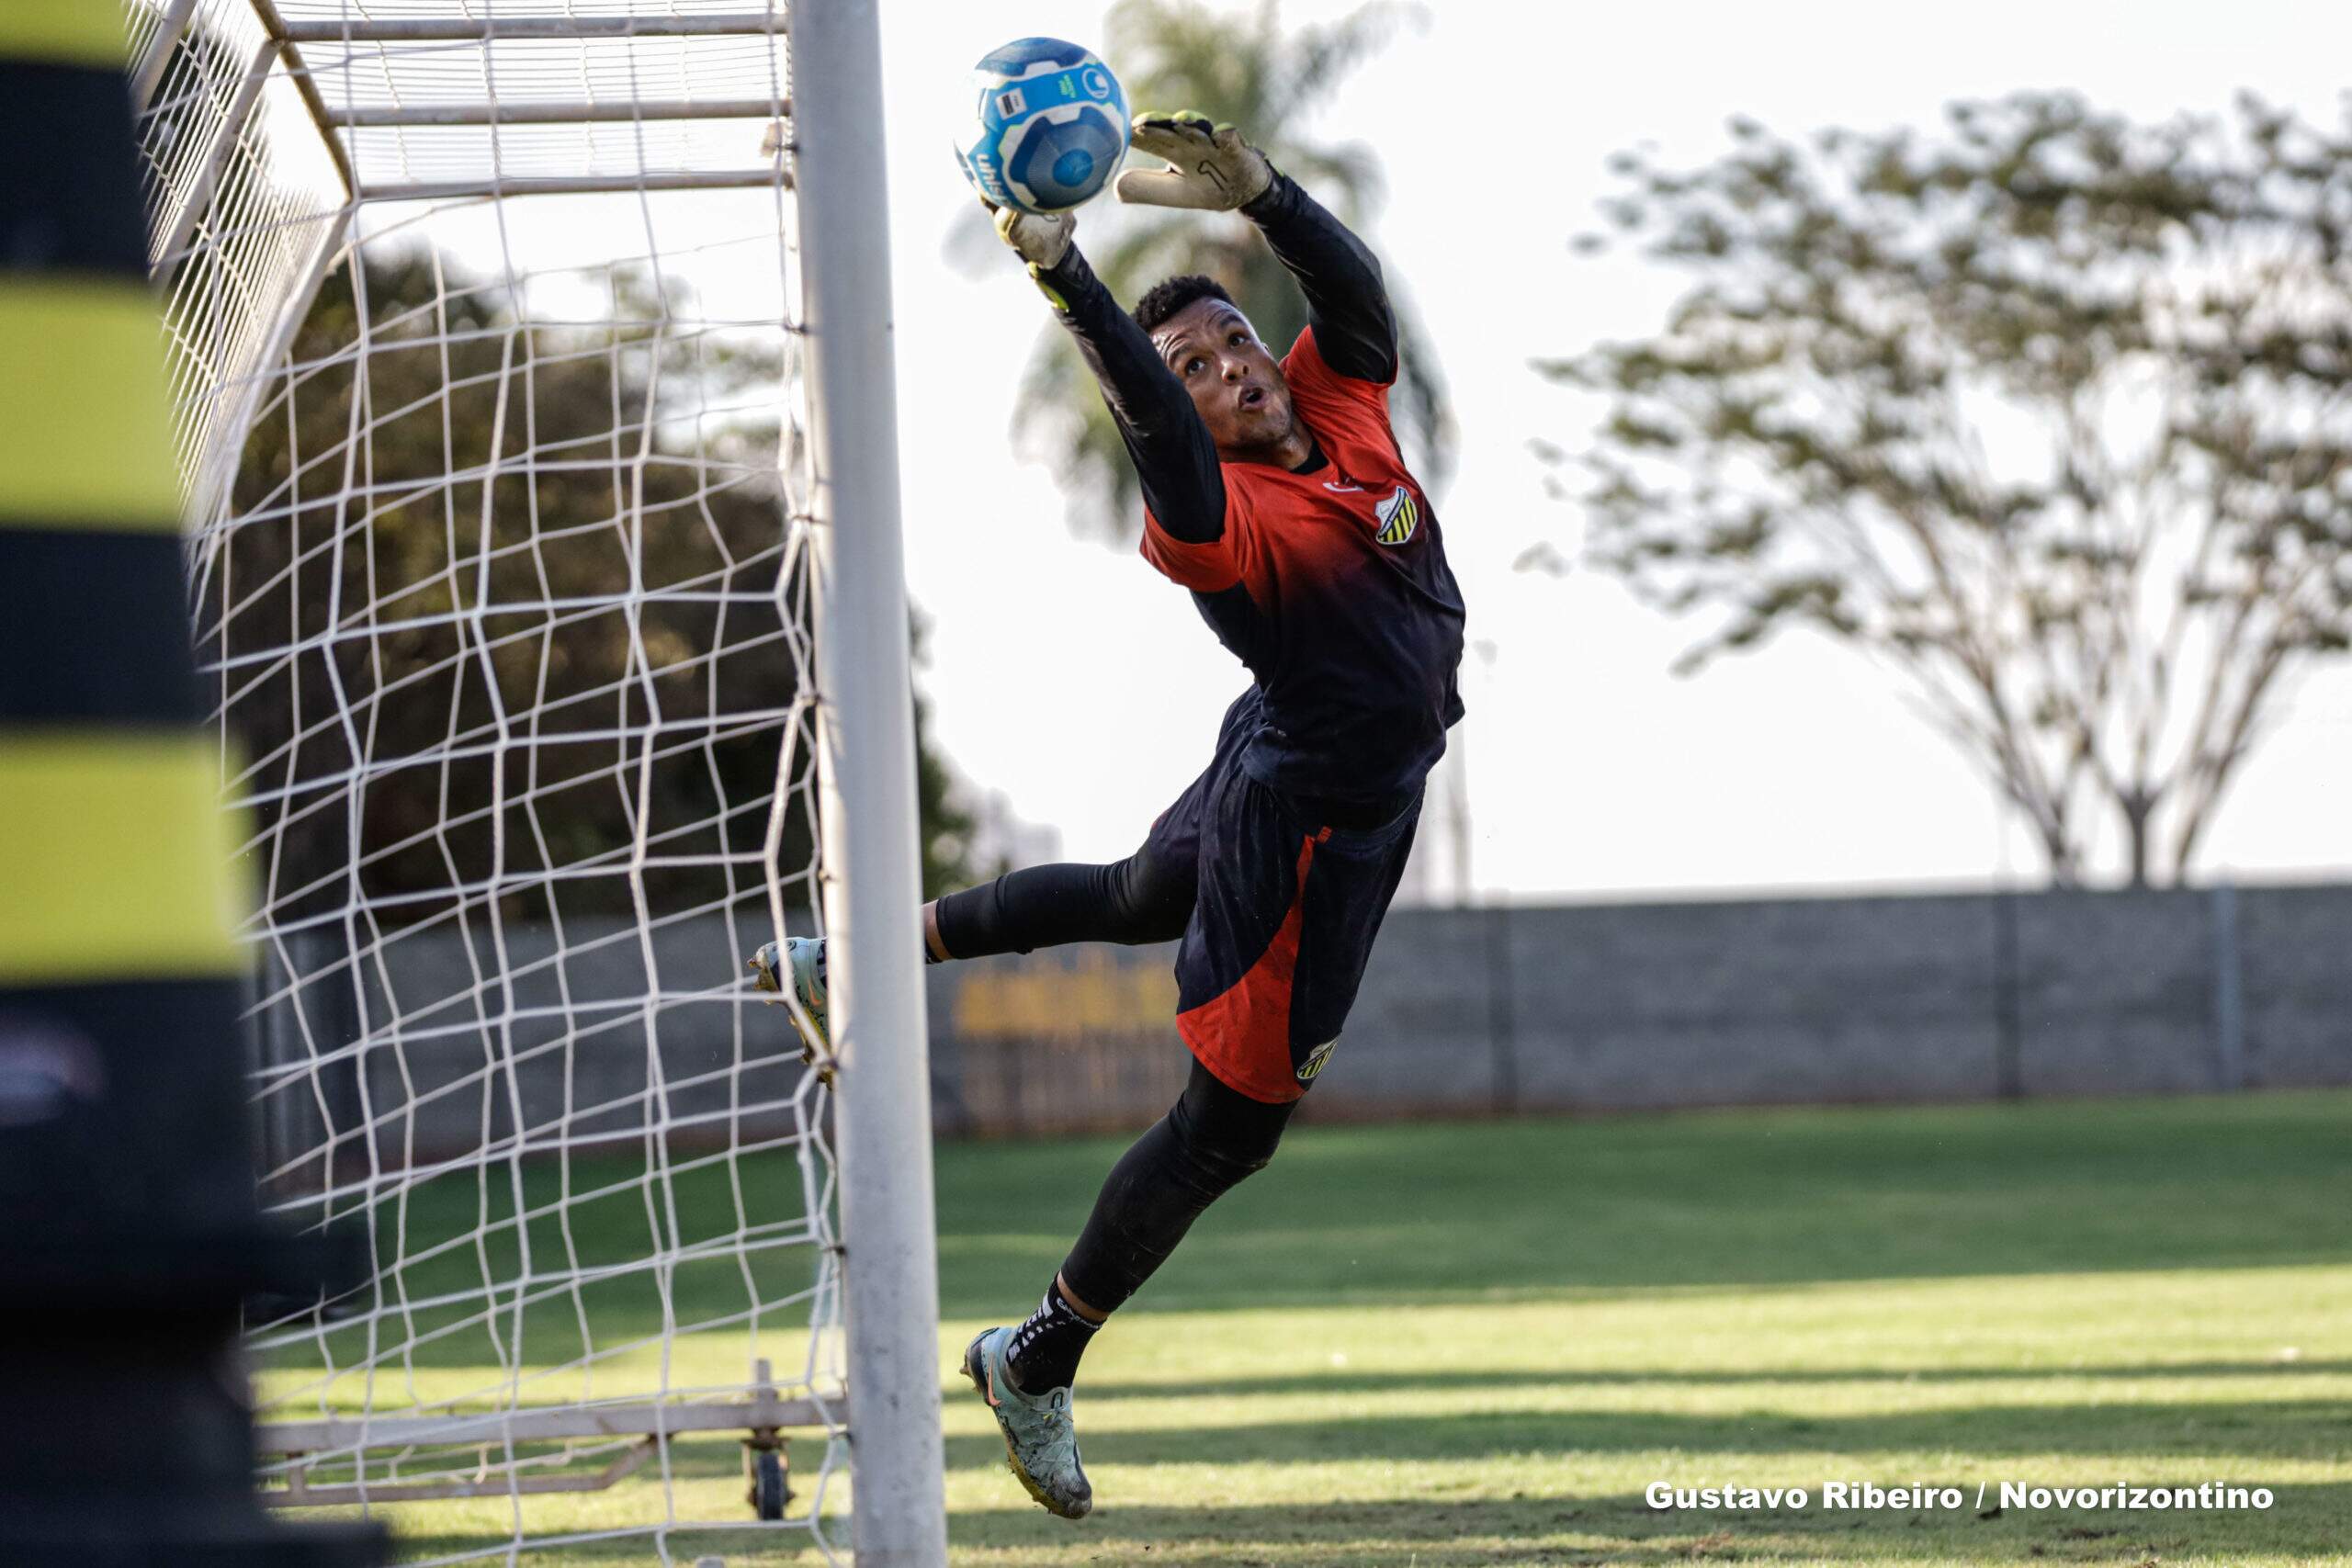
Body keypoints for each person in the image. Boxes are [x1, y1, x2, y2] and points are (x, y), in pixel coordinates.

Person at [751, 112, 1464, 1519]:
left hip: (1296, 754)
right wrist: (1066, 279)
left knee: (1144, 896)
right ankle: (1037, 1357)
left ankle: (861, 952)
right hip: (1317, 822)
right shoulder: (1226, 519)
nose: (1226, 373)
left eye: (1232, 348)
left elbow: (1355, 303)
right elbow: (1157, 435)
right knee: (1227, 1132)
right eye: (1193, 370)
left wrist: (1267, 196)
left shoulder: (1341, 412)